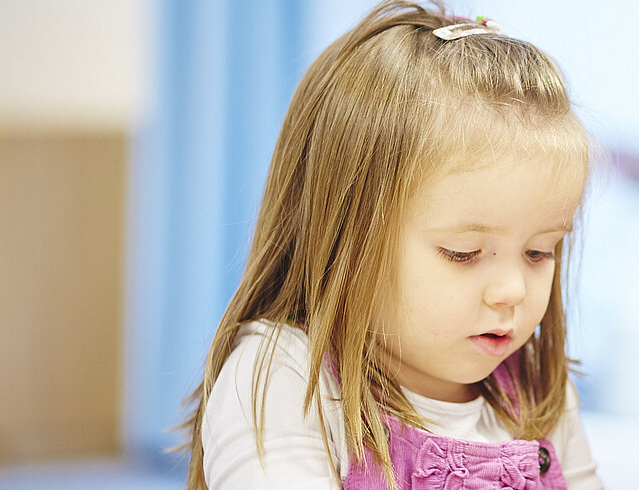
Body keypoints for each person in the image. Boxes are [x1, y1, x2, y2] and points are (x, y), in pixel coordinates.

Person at [179, 2, 604, 489]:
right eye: (463, 253)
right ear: (347, 236)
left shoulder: (540, 392)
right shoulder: (286, 378)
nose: (512, 290)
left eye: (539, 252)